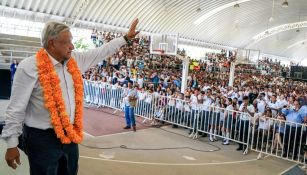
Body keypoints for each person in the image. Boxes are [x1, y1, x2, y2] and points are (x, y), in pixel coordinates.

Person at [2, 19, 139, 174]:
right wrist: (12, 144)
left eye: (71, 41)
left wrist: (125, 38)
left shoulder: (75, 60)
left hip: (71, 136)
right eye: (67, 42)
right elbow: (16, 108)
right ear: (52, 43)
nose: (72, 46)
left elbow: (101, 51)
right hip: (41, 139)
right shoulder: (29, 67)